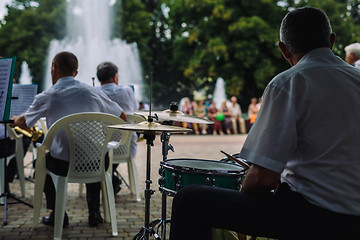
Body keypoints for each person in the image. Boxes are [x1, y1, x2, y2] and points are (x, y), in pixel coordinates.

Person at [169, 7, 360, 239]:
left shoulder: (288, 83)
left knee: (188, 200)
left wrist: (243, 196)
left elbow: (263, 178)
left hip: (315, 216)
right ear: (331, 41)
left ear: (283, 49)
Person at [11, 51, 127, 228]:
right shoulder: (93, 92)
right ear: (76, 72)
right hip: (97, 163)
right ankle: (94, 212)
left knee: (39, 164)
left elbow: (23, 122)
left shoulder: (47, 96)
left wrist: (14, 119)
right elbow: (122, 116)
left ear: (54, 68)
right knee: (94, 152)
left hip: (63, 165)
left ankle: (58, 214)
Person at [96, 61, 138, 194]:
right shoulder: (127, 91)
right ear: (115, 77)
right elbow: (135, 111)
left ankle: (109, 179)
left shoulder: (94, 93)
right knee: (115, 144)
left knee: (104, 148)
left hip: (100, 149)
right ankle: (111, 179)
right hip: (125, 146)